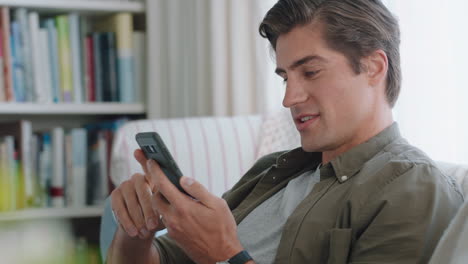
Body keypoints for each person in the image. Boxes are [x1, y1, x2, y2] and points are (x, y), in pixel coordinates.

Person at [107, 0, 464, 263]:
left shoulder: (413, 189)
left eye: (310, 72)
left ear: (373, 67)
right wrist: (135, 230)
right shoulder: (272, 171)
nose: (289, 98)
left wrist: (224, 255)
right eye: (285, 77)